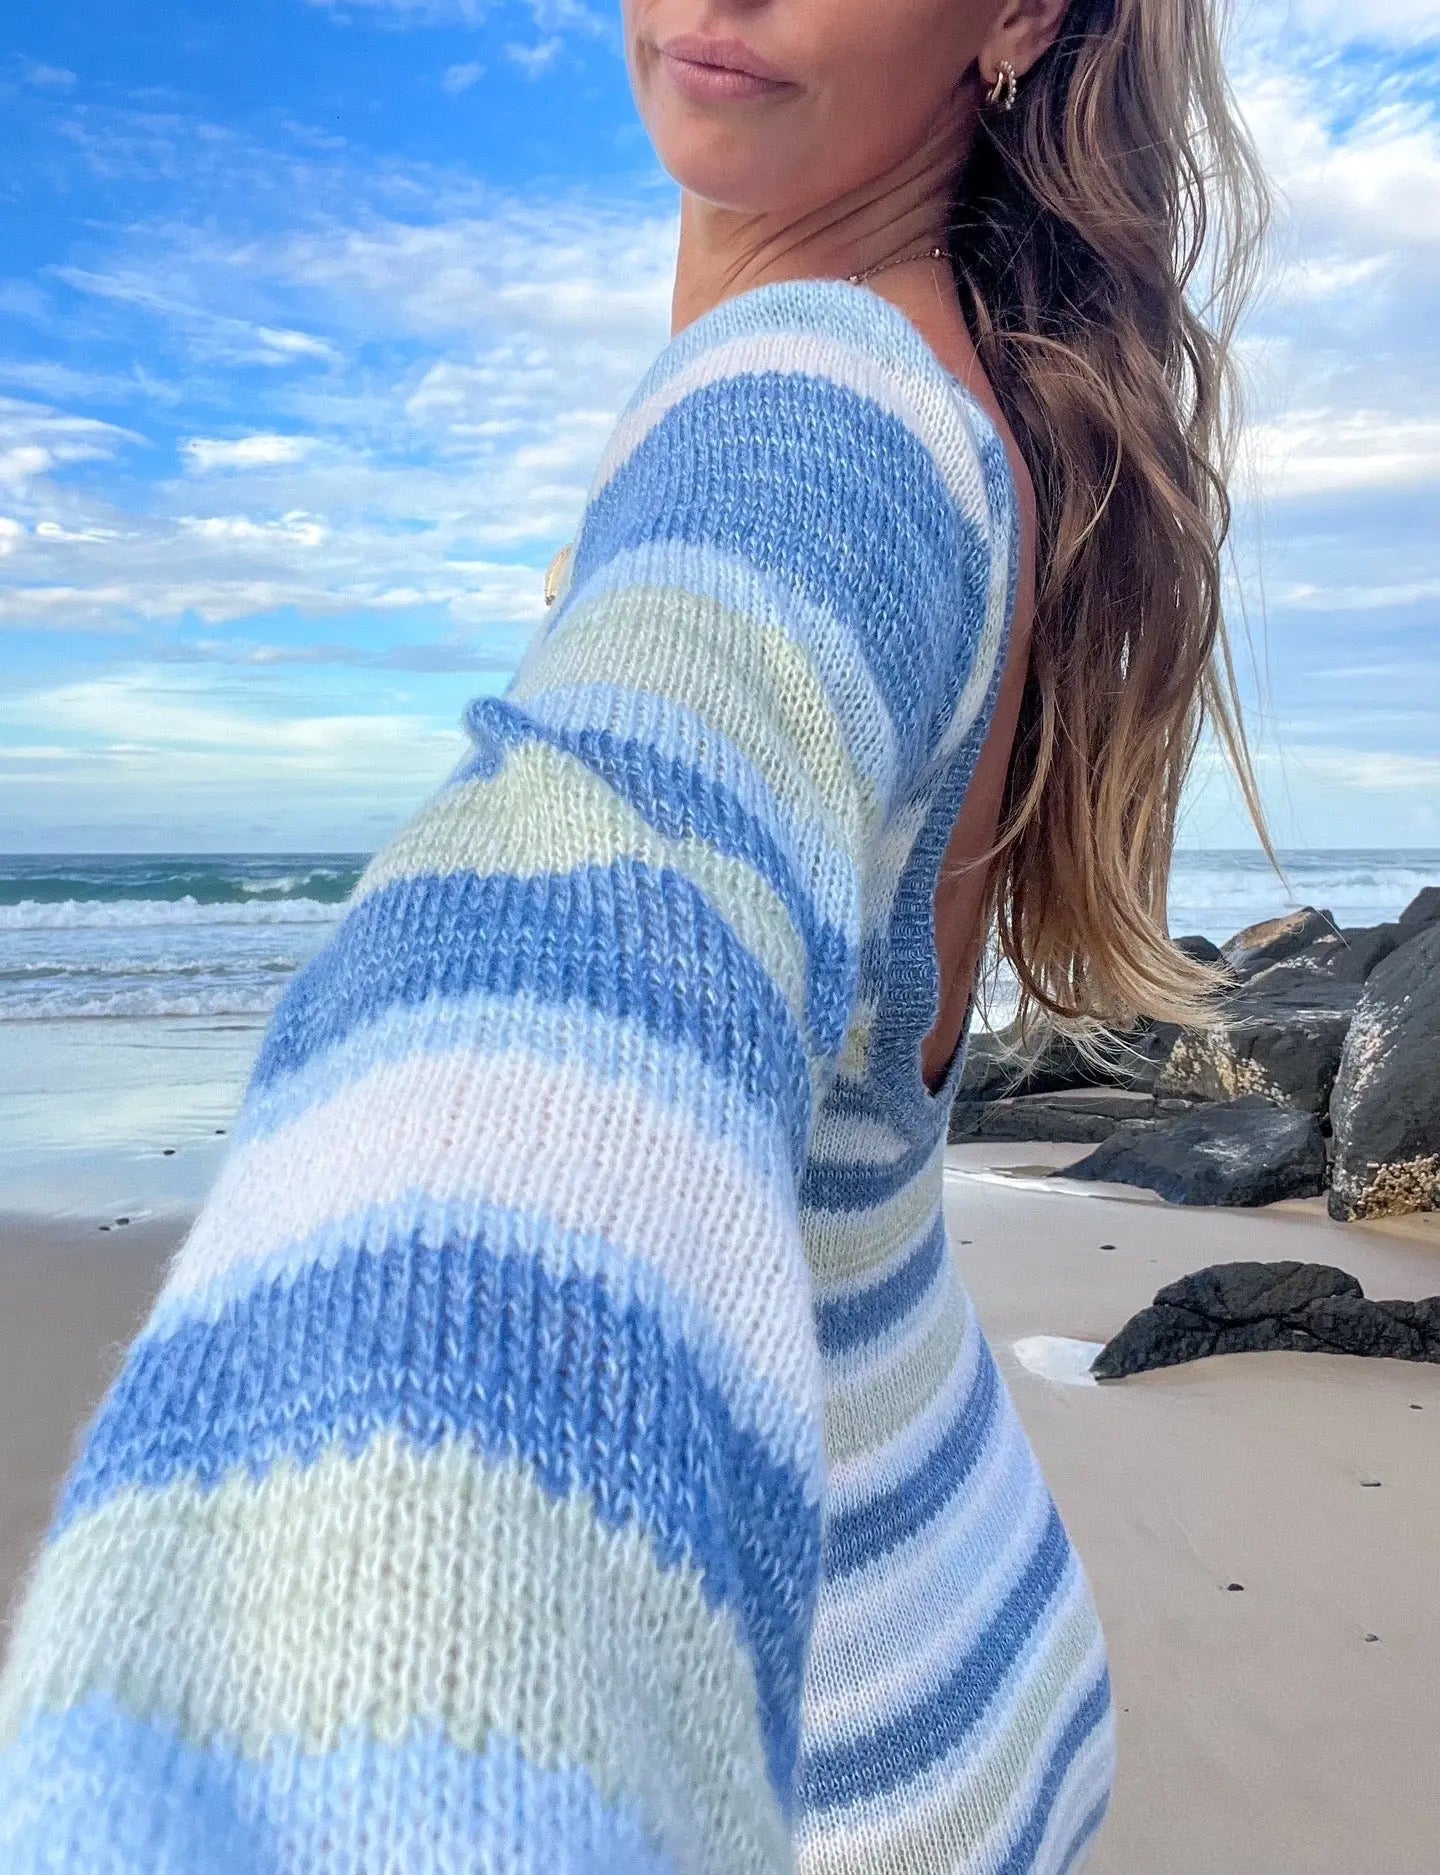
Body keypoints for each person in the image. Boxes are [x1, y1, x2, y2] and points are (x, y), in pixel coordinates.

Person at [0, 0, 1274, 1869]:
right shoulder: (963, 400)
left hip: (829, 1769)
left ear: (1018, 15)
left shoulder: (813, 422)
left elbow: (580, 945)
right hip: (966, 1631)